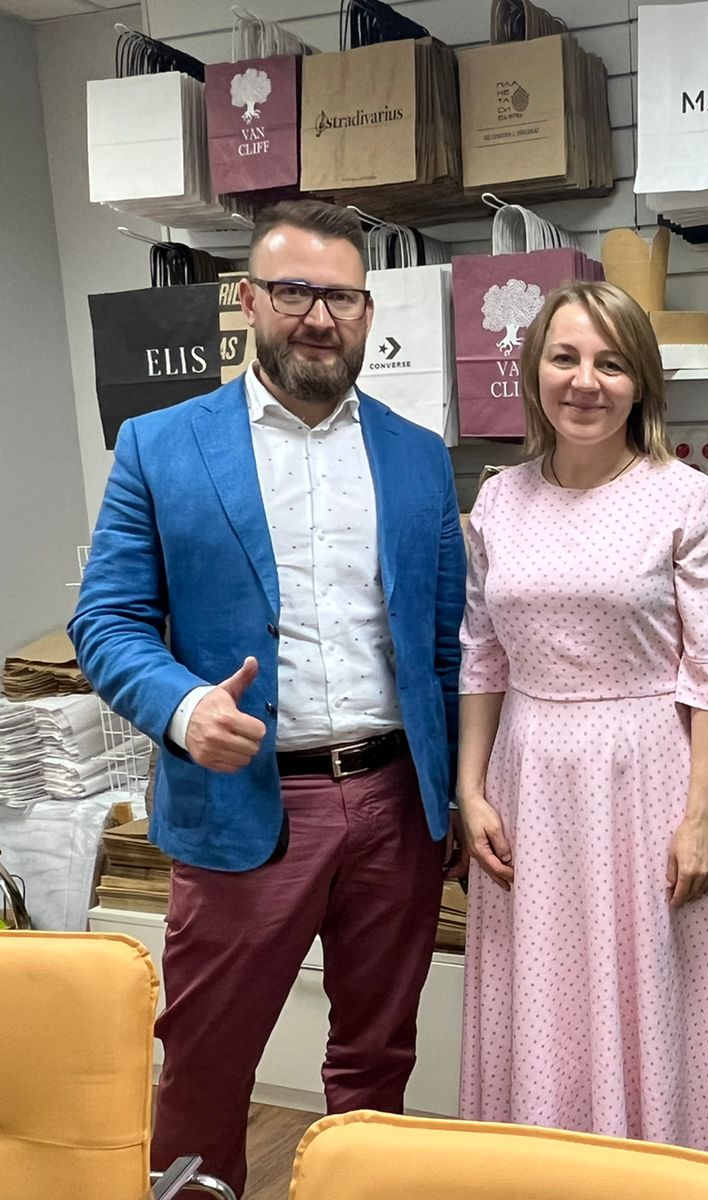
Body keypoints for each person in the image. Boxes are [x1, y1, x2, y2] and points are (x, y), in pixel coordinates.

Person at [69, 199, 466, 1197]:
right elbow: (106, 620)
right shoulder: (161, 445)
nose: (319, 318)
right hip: (243, 803)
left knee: (377, 1060)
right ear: (247, 301)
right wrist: (181, 707)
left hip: (394, 806)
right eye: (294, 293)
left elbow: (443, 645)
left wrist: (453, 793)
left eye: (341, 297)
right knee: (207, 1063)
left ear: (367, 311)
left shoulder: (418, 455)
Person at [455, 280, 708, 1160]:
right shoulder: (499, 499)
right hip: (527, 779)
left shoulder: (682, 497)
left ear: (642, 383)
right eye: (565, 358)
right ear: (534, 370)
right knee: (542, 989)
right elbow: (482, 653)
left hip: (645, 778)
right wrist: (469, 790)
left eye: (611, 363)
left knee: (652, 987)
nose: (585, 382)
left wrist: (704, 812)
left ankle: (660, 1169)